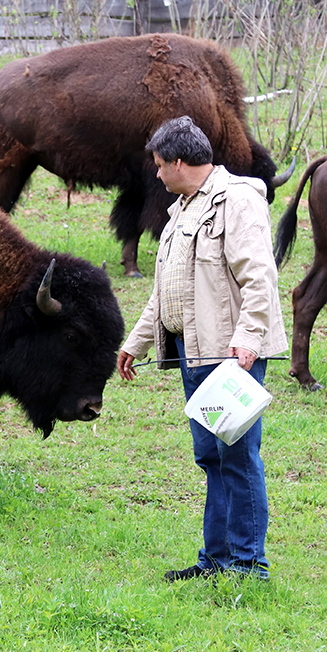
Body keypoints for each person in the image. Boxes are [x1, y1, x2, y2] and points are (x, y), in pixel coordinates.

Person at [116, 115, 288, 582]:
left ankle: (249, 565)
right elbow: (166, 287)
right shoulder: (183, 210)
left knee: (237, 455)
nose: (155, 174)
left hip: (229, 356)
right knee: (211, 457)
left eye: (158, 165)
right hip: (193, 353)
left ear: (177, 161)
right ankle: (216, 560)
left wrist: (248, 339)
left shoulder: (237, 201)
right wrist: (138, 340)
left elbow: (260, 275)